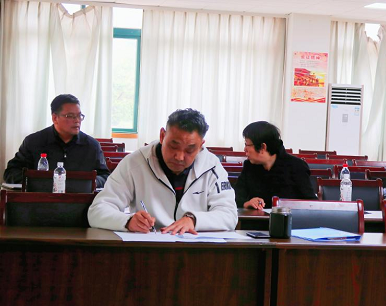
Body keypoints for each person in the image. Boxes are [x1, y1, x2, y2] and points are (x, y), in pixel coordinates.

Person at [88, 109, 237, 234]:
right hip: (150, 247)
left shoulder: (211, 166)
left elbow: (229, 215)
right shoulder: (135, 163)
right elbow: (97, 211)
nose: (179, 157)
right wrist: (127, 221)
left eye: (189, 150)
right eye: (173, 146)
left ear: (201, 145)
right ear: (162, 136)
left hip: (195, 250)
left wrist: (194, 220)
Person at [3, 94, 110, 188]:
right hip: (41, 200)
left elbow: (105, 176)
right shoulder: (34, 142)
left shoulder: (91, 146)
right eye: (70, 116)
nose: (77, 120)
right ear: (55, 118)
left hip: (80, 202)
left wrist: (92, 182)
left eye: (79, 116)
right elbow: (11, 172)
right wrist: (36, 182)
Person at [235, 121, 315, 209]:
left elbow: (311, 203)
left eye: (247, 144)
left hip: (288, 217)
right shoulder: (249, 166)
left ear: (263, 147)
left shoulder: (297, 166)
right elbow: (235, 197)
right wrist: (246, 203)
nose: (245, 149)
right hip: (257, 217)